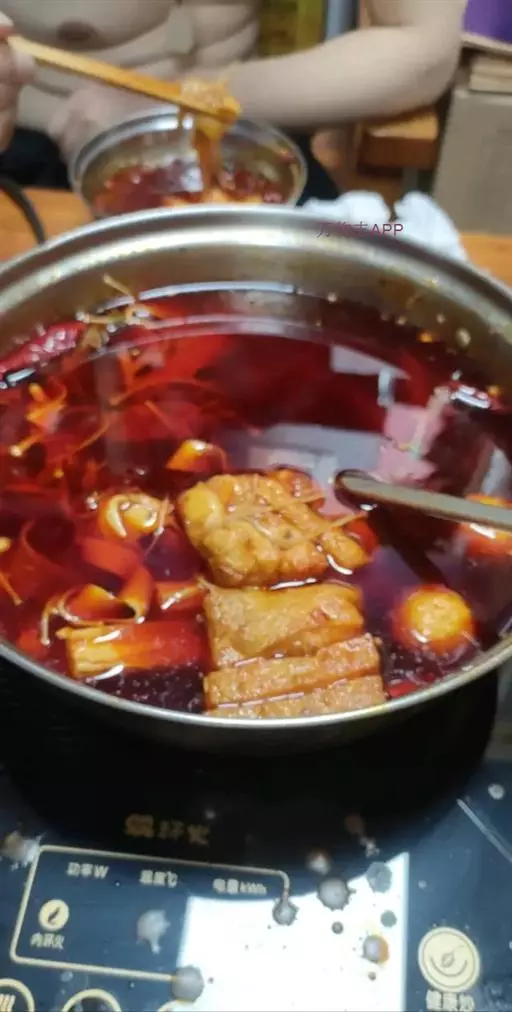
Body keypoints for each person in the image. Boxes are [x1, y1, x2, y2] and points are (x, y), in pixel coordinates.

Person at [0, 1, 466, 199]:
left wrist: (179, 102)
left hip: (243, 139)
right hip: (35, 166)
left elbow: (423, 45)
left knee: (367, 247)